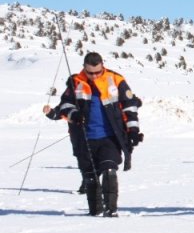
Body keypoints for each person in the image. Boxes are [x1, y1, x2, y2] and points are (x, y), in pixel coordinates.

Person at [45, 52, 142, 217]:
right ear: (84, 68)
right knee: (90, 176)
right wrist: (74, 114)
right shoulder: (76, 82)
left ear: (102, 66)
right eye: (91, 73)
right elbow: (65, 105)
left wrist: (133, 130)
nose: (95, 75)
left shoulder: (116, 79)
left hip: (110, 137)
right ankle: (95, 211)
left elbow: (130, 106)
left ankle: (111, 210)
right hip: (85, 138)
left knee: (110, 169)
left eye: (98, 72)